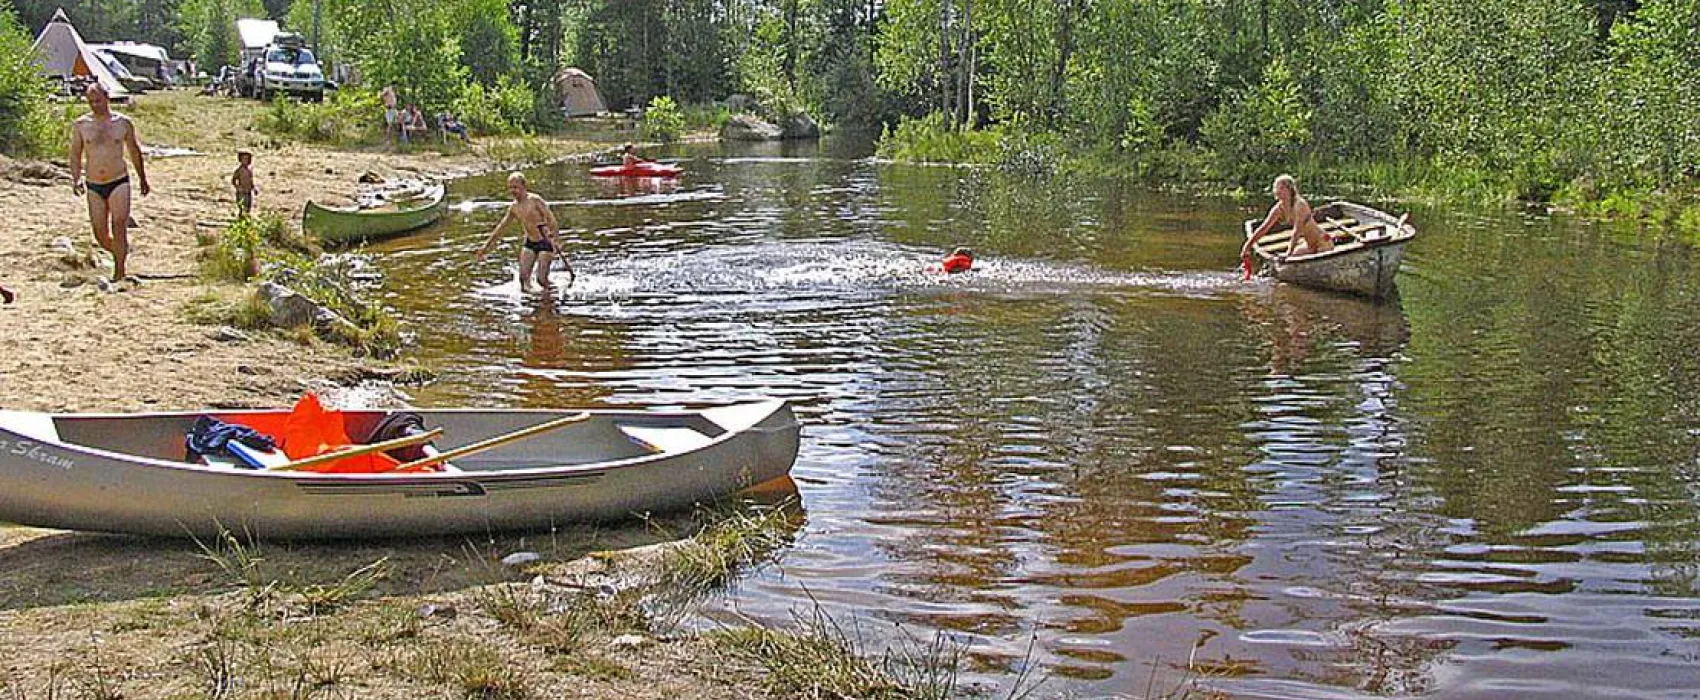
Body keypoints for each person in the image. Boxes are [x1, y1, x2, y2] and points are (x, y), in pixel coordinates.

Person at [70, 83, 150, 285]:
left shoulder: (122, 123)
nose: (95, 105)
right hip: (94, 183)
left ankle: (119, 271)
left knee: (119, 224)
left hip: (119, 180)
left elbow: (134, 150)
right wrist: (76, 178)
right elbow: (75, 153)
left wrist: (142, 177)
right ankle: (120, 252)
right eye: (91, 102)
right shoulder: (81, 124)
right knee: (100, 233)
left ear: (107, 98)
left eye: (98, 100)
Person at [476, 172, 574, 294]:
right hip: (530, 243)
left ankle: (553, 296)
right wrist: (485, 248)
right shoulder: (514, 207)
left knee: (541, 280)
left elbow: (551, 219)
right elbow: (501, 228)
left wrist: (556, 239)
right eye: (510, 187)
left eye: (515, 187)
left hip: (545, 242)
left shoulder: (535, 200)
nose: (513, 191)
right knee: (523, 279)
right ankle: (531, 303)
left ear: (524, 186)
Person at [1241, 174, 1332, 279]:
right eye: (1275, 188)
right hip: (1309, 245)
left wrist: (1288, 253)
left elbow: (1297, 231)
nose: (1275, 191)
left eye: (1278, 187)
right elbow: (1264, 228)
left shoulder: (1300, 205)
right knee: (1289, 265)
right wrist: (1247, 246)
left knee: (1317, 267)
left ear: (1288, 189)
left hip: (1322, 241)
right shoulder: (1279, 208)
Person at [231, 150, 257, 217]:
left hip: (248, 191)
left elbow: (251, 181)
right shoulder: (239, 170)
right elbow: (233, 180)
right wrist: (238, 187)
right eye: (244, 159)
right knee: (242, 207)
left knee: (248, 207)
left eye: (247, 159)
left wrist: (254, 188)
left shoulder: (249, 171)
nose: (246, 161)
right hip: (241, 192)